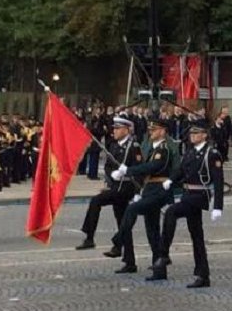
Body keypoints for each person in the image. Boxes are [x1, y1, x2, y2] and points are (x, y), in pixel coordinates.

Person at [148, 122, 224, 288]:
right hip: (187, 194)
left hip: (199, 196)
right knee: (197, 237)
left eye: (197, 134)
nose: (193, 136)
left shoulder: (212, 154)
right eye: (192, 134)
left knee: (171, 212)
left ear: (205, 135)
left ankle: (163, 254)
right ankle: (203, 275)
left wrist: (218, 206)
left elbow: (219, 181)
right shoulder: (190, 152)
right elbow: (181, 171)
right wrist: (170, 180)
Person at [103, 118, 174, 274]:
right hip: (149, 189)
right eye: (150, 130)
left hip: (158, 191)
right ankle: (159, 266)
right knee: (152, 230)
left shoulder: (164, 149)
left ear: (162, 131)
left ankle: (118, 240)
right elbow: (146, 171)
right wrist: (138, 191)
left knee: (132, 209)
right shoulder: (153, 149)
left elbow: (153, 167)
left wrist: (128, 170)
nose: (151, 132)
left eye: (154, 130)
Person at [76, 117, 143, 250]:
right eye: (114, 128)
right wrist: (112, 174)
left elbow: (140, 170)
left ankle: (90, 237)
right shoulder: (113, 145)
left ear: (126, 130)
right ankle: (128, 259)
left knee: (96, 201)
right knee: (122, 222)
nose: (115, 131)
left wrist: (137, 192)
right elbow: (108, 166)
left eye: (118, 129)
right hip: (116, 186)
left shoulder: (133, 147)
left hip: (127, 187)